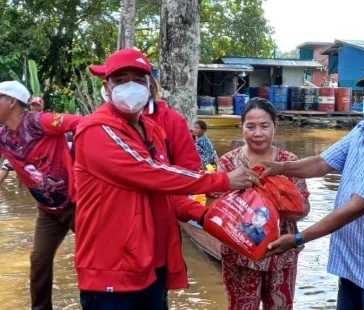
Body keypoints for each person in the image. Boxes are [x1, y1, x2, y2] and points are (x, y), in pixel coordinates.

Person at [76, 47, 260, 310]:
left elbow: (166, 193)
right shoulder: (95, 130)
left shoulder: (152, 130)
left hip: (152, 261)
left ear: (151, 87)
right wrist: (222, 181)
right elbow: (150, 174)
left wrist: (210, 217)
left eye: (138, 80)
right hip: (112, 265)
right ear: (106, 87)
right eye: (120, 80)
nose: (130, 87)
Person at [264, 64, 364, 310]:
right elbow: (321, 163)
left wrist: (298, 238)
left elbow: (356, 208)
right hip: (353, 263)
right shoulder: (363, 129)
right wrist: (278, 168)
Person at [217, 97, 310, 310]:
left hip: (281, 250)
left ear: (275, 127)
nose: (258, 133)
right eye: (250, 126)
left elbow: (304, 208)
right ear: (242, 127)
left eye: (264, 126)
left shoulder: (289, 162)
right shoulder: (228, 163)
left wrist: (281, 204)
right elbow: (216, 208)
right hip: (238, 253)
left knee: (280, 306)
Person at [0, 80, 82, 310]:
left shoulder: (41, 121)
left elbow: (83, 123)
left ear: (11, 102)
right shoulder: (4, 136)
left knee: (94, 260)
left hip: (77, 205)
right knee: (39, 261)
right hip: (47, 211)